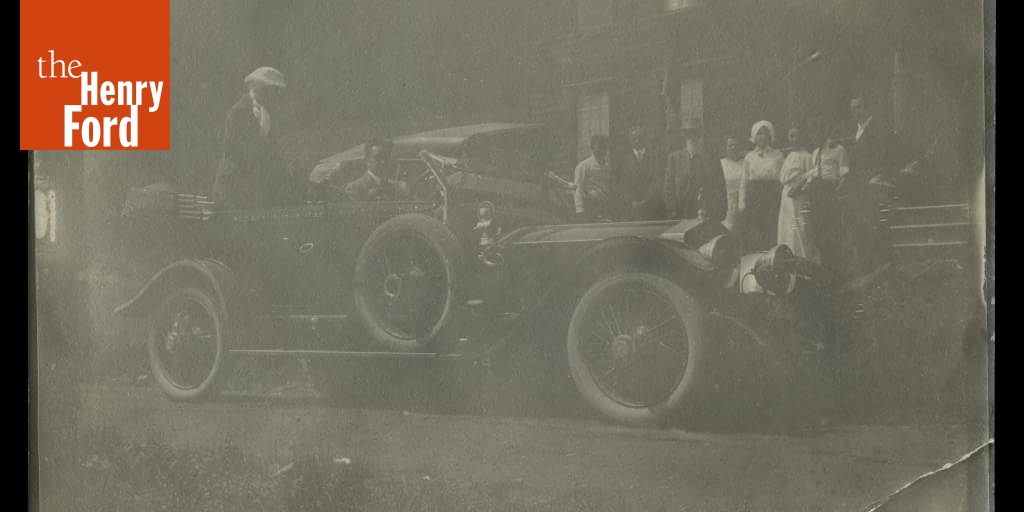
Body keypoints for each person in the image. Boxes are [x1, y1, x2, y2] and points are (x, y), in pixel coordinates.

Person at [211, 66, 297, 210]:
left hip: (250, 189)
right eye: (274, 92)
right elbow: (245, 154)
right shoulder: (239, 112)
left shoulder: (264, 113)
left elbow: (271, 150)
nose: (277, 97)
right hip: (234, 189)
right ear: (261, 90)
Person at [663, 122, 727, 222]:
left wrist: (722, 209)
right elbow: (668, 187)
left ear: (700, 136)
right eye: (689, 135)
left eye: (696, 135)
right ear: (685, 137)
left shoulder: (711, 158)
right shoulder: (674, 158)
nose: (693, 139)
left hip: (707, 209)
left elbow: (720, 185)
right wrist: (672, 211)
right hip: (683, 210)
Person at [738, 120, 785, 251]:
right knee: (755, 231)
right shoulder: (749, 157)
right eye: (759, 134)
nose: (762, 137)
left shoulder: (778, 155)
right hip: (754, 197)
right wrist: (741, 203)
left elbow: (783, 179)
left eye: (765, 134)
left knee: (771, 229)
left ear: (770, 136)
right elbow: (744, 182)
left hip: (772, 197)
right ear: (754, 137)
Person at [777, 126, 821, 263]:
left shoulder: (807, 156)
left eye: (796, 136)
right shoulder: (788, 156)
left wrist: (800, 188)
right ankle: (788, 259)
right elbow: (783, 178)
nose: (793, 140)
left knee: (801, 228)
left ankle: (805, 260)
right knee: (787, 228)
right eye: (791, 136)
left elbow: (811, 177)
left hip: (800, 196)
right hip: (786, 198)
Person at [810, 124, 850, 270]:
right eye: (813, 132)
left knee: (832, 233)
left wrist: (834, 194)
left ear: (826, 131)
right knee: (818, 234)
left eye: (819, 131)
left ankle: (837, 269)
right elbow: (813, 174)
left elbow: (844, 176)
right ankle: (825, 269)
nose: (816, 135)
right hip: (816, 194)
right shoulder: (814, 152)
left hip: (830, 192)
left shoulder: (838, 149)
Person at [616, 123, 662, 220]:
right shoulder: (624, 160)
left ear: (645, 139)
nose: (637, 140)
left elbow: (657, 181)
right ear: (630, 140)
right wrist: (631, 202)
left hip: (651, 207)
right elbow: (622, 184)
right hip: (630, 209)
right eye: (634, 138)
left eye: (640, 137)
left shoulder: (654, 158)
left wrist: (647, 201)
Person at [344, 137, 409, 202]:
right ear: (366, 161)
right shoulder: (354, 188)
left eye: (386, 157)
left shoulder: (399, 188)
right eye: (377, 157)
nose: (383, 161)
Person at [572, 134, 612, 222]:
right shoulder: (584, 166)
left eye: (605, 147)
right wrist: (580, 210)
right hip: (590, 207)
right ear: (593, 148)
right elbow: (578, 189)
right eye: (599, 147)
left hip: (605, 206)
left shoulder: (608, 167)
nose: (602, 150)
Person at [720, 135, 746, 232]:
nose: (733, 148)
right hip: (726, 204)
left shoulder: (745, 162)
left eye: (736, 145)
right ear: (725, 147)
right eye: (730, 145)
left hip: (743, 204)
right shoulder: (721, 164)